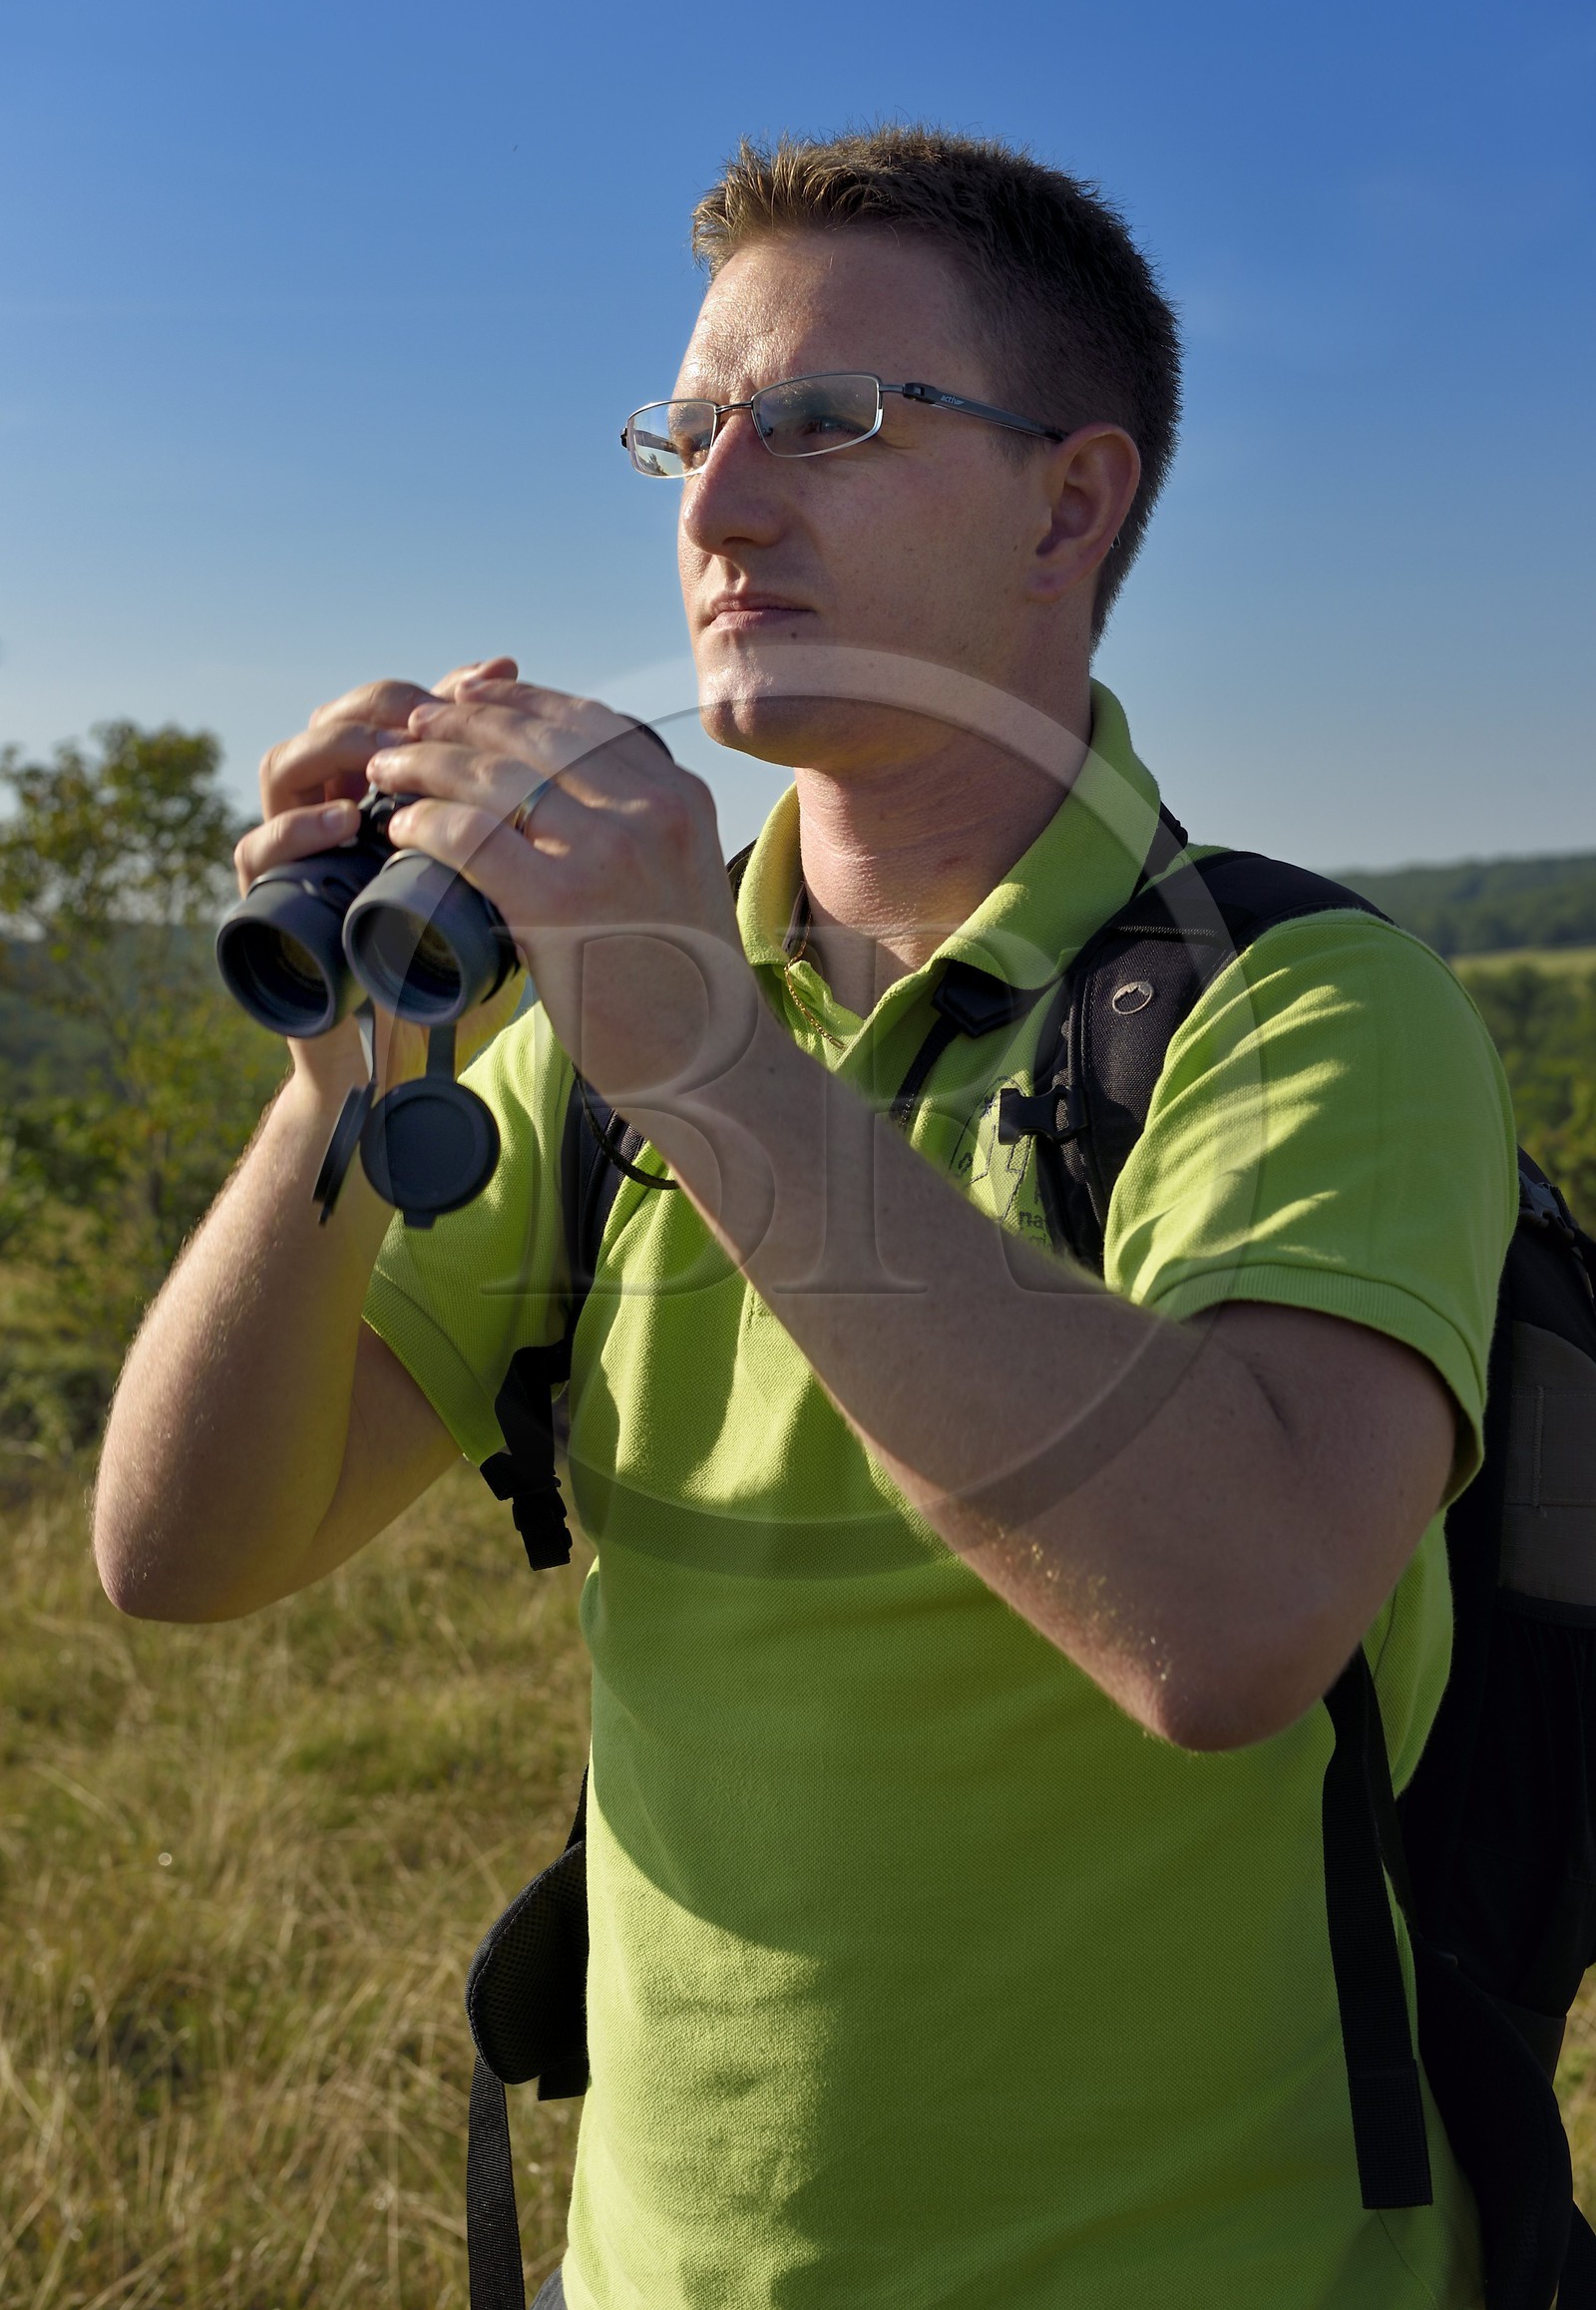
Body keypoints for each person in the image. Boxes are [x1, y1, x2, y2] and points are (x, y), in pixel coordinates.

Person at [95, 127, 1515, 2309]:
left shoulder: (1298, 1009)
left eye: (829, 424)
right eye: (690, 428)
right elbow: (181, 1553)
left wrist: (694, 1046)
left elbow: (1227, 1625)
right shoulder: (602, 1053)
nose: (716, 502)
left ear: (1071, 498)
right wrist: (345, 1074)